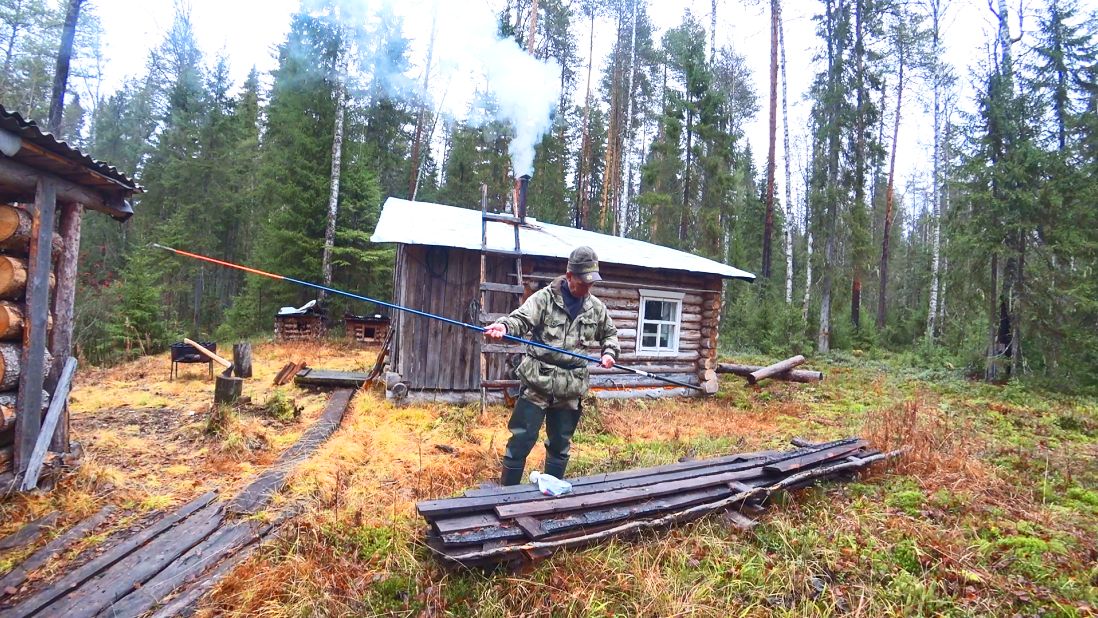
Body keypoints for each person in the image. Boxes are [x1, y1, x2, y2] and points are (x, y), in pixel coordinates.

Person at [484, 246, 620, 486]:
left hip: (570, 388)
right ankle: (506, 495)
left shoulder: (596, 307)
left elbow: (609, 334)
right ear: (569, 276)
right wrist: (504, 327)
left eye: (592, 283)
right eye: (583, 282)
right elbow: (521, 319)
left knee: (560, 445)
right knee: (521, 440)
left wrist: (609, 353)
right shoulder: (544, 299)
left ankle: (552, 497)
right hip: (538, 383)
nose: (587, 288)